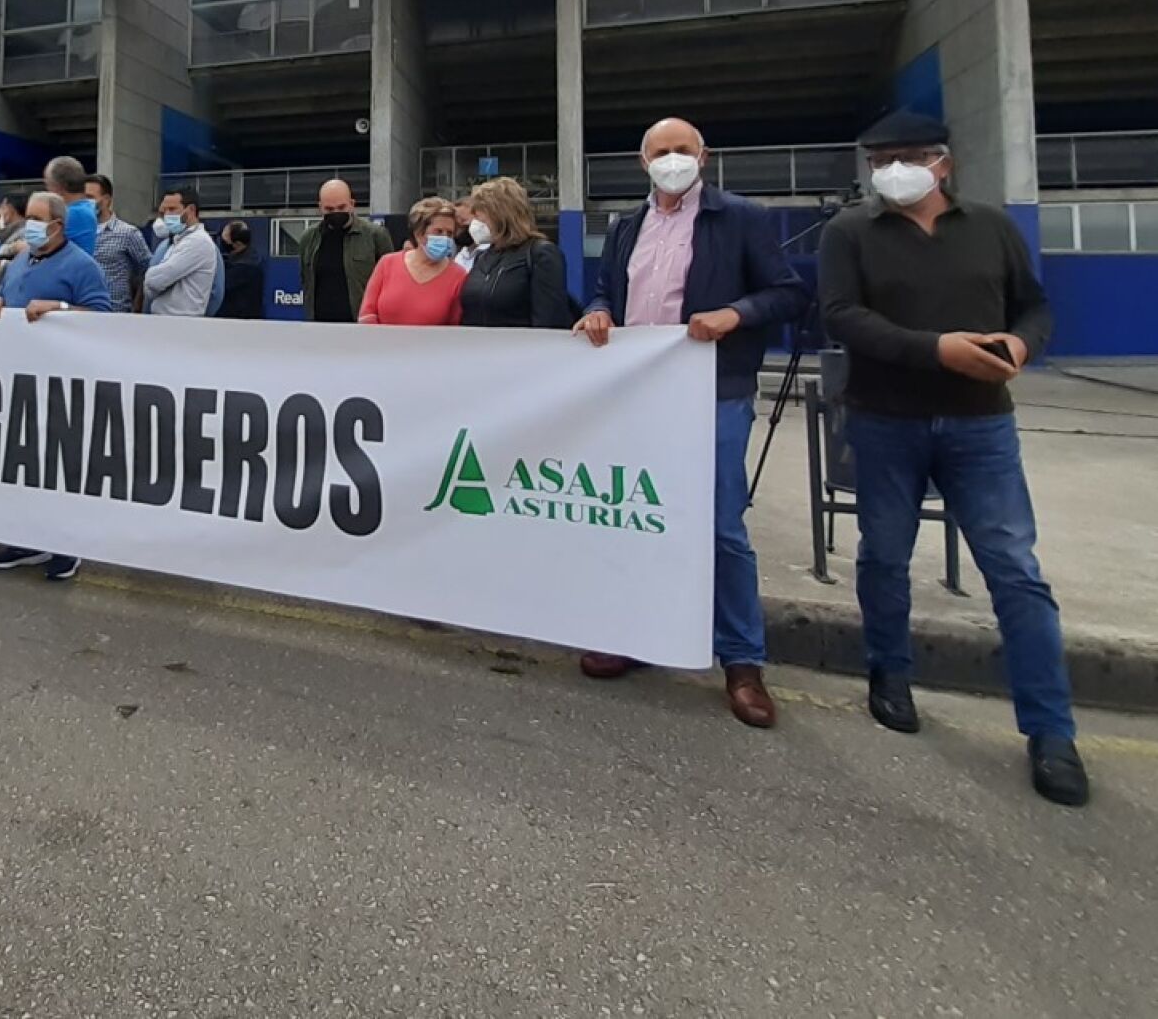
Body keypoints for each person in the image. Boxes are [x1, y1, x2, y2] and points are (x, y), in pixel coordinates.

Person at [819, 110, 1086, 806]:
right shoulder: (851, 232)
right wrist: (936, 348)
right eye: (878, 159)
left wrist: (1021, 346)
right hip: (884, 421)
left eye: (905, 156)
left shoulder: (991, 227)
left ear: (943, 163)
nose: (890, 170)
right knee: (883, 555)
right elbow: (842, 316)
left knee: (1015, 571)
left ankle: (1051, 730)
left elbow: (1035, 307)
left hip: (980, 426)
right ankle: (889, 674)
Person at [571, 117, 810, 728]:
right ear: (641, 161)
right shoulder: (627, 225)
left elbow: (786, 293)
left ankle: (742, 661)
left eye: (682, 150)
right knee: (633, 515)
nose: (672, 159)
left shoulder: (741, 219)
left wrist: (735, 313)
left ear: (703, 155)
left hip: (714, 391)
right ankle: (632, 633)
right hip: (637, 393)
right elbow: (603, 292)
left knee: (720, 524)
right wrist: (597, 313)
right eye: (661, 152)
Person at [0, 191, 113, 583]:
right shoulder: (20, 259)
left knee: (59, 466)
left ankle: (66, 546)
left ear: (57, 225)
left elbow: (104, 316)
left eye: (37, 219)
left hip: (61, 383)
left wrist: (61, 309)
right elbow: (7, 296)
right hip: (18, 378)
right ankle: (26, 538)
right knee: (21, 462)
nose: (29, 226)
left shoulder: (82, 266)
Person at [457, 177, 569, 329]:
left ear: (500, 214)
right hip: (479, 349)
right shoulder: (482, 257)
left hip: (520, 349)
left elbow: (550, 320)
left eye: (478, 215)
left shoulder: (541, 254)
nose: (474, 223)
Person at [359, 197, 467, 327]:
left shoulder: (458, 276)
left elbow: (455, 326)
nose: (444, 238)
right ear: (419, 233)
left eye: (449, 233)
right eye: (438, 231)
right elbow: (367, 314)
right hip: (383, 345)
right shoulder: (387, 264)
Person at [297, 179, 394, 322]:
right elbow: (305, 280)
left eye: (341, 207)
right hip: (319, 326)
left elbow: (390, 283)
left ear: (352, 204)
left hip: (362, 325)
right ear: (320, 208)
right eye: (329, 209)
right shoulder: (308, 238)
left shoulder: (376, 235)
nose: (336, 212)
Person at [144, 185, 218, 317]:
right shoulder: (177, 242)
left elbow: (155, 280)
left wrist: (150, 276)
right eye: (163, 212)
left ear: (191, 210)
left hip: (181, 322)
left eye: (172, 209)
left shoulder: (198, 242)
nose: (166, 216)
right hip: (166, 320)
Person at [85, 174, 151, 313]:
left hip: (115, 312)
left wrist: (137, 305)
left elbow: (147, 269)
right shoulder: (76, 233)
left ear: (106, 200)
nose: (85, 202)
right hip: (82, 310)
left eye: (90, 197)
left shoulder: (128, 233)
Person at [44, 156, 98, 255]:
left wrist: (14, 247)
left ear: (59, 187)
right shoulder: (85, 207)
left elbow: (39, 246)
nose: (47, 190)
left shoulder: (72, 214)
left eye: (48, 184)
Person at [219, 221, 266, 321]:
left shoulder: (245, 267)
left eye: (225, 240)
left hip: (240, 322)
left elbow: (221, 286)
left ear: (237, 244)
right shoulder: (252, 258)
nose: (222, 243)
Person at [452, 197, 484, 272]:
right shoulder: (461, 255)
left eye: (463, 220)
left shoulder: (488, 254)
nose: (459, 226)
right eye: (455, 224)